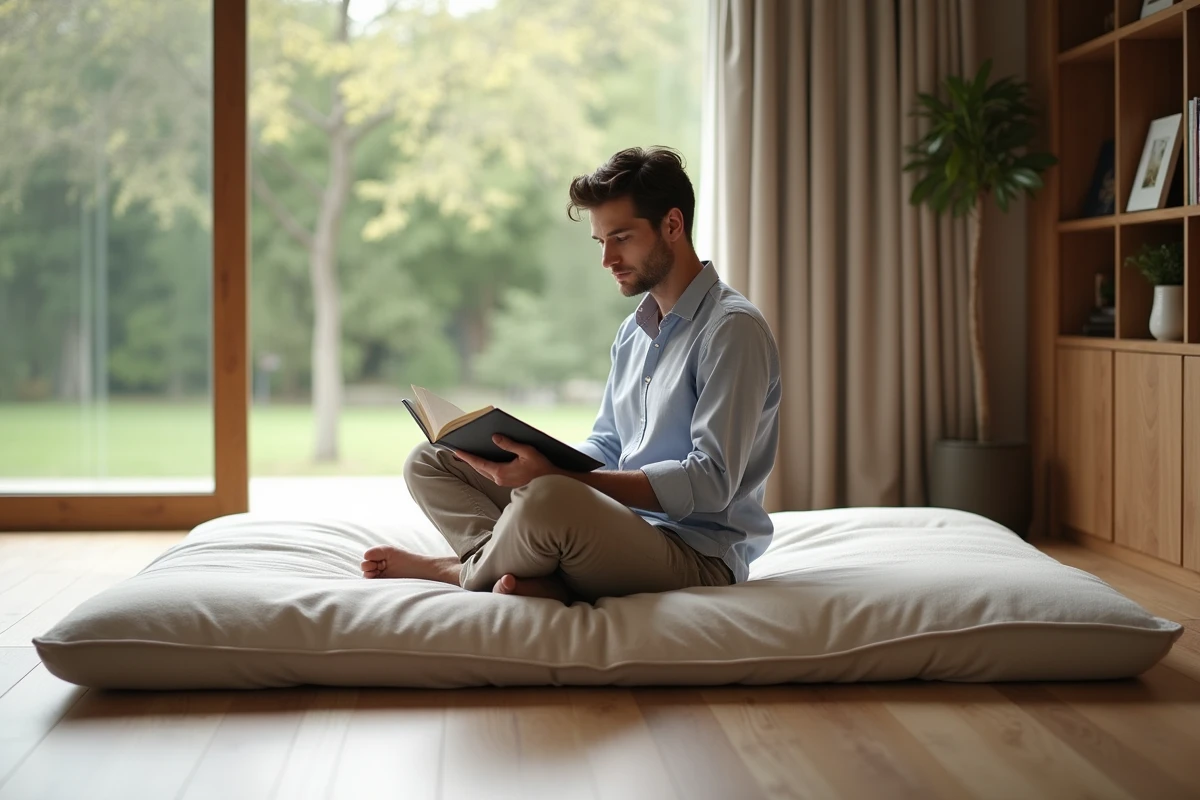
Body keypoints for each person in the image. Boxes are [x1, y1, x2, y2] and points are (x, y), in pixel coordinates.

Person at [361, 146, 781, 604]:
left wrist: (560, 481)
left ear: (673, 226)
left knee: (549, 502)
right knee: (432, 458)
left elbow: (712, 481)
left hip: (698, 554)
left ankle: (460, 570)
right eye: (601, 242)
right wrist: (531, 460)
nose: (607, 260)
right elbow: (607, 445)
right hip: (621, 523)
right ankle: (515, 568)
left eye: (621, 238)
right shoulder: (633, 333)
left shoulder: (732, 329)